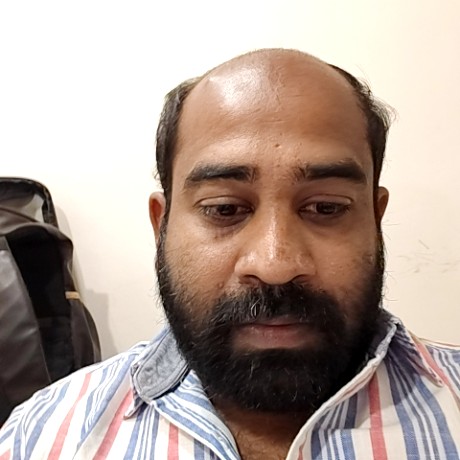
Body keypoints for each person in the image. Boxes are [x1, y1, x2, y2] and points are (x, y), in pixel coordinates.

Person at [1, 48, 459, 460]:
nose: (275, 265)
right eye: (224, 209)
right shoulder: (39, 437)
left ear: (375, 219)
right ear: (162, 225)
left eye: (326, 208)